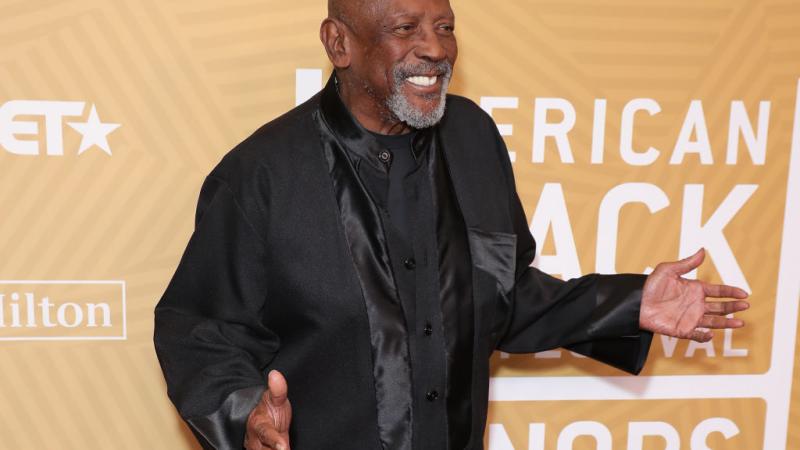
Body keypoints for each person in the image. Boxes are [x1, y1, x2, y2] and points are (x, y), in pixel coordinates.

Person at [153, 0, 750, 448]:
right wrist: (243, 416)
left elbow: (502, 295)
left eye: (445, 27)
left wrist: (630, 303)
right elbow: (200, 330)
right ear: (339, 43)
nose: (435, 49)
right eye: (405, 28)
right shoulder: (261, 175)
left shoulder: (472, 137)